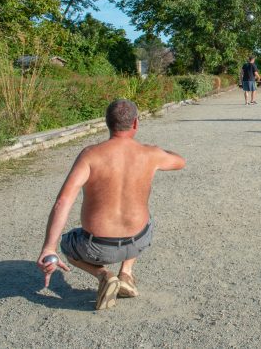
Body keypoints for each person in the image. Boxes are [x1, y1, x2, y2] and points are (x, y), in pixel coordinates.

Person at [37, 99, 186, 310]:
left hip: (96, 248)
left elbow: (63, 201)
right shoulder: (151, 154)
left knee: (66, 244)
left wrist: (48, 248)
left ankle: (104, 275)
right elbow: (180, 161)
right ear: (135, 124)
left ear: (107, 123)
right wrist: (156, 151)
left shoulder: (90, 155)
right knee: (146, 218)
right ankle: (126, 272)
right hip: (138, 241)